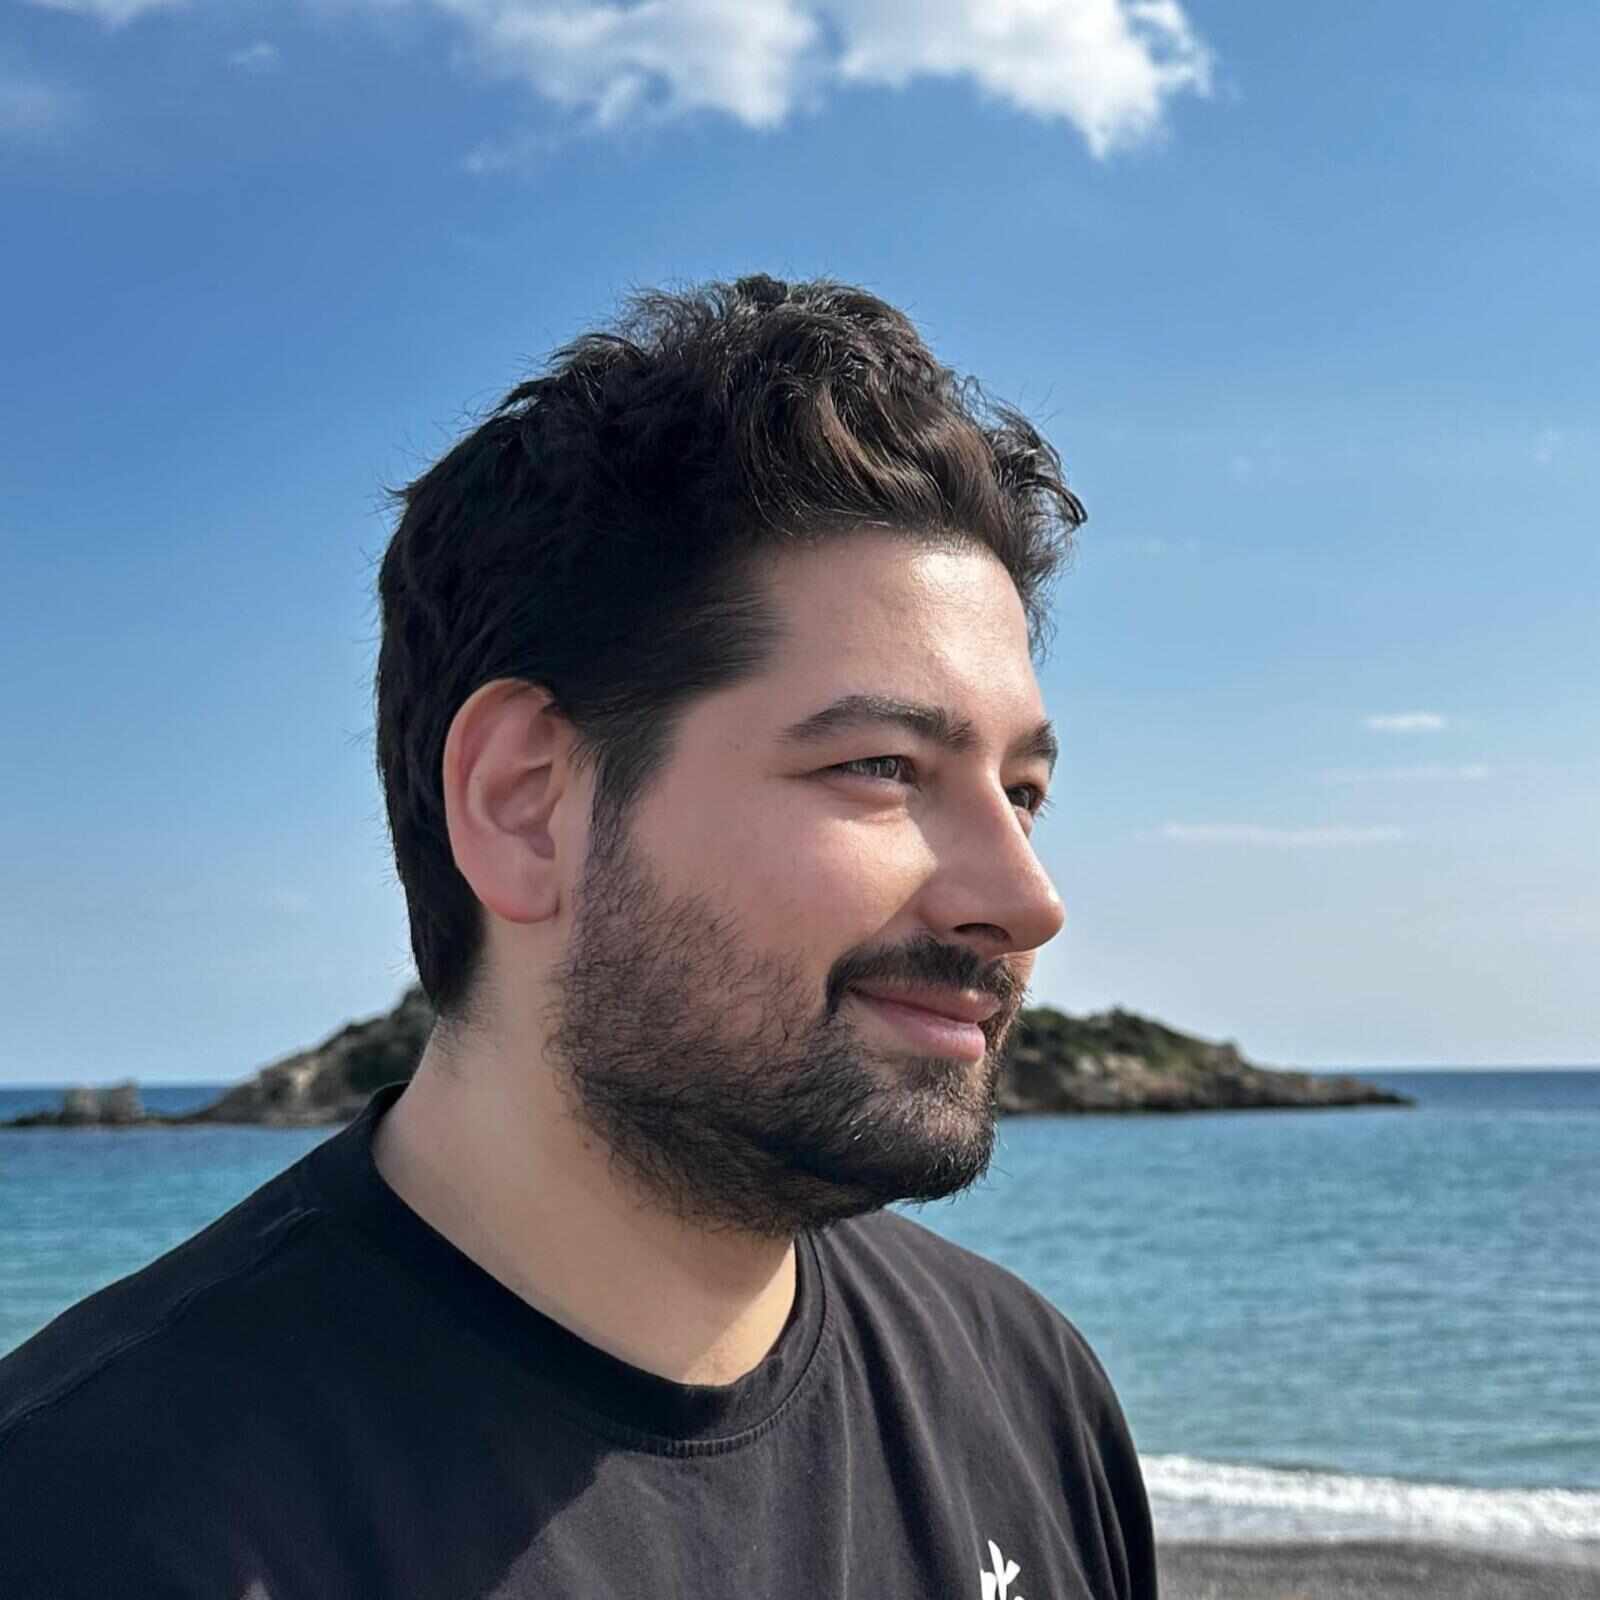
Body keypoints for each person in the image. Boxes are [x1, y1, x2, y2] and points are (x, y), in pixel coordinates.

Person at [0, 274, 1157, 1598]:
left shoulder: (1026, 1396)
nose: (1027, 899)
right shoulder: (91, 1522)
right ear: (525, 804)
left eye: (1023, 792)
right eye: (883, 768)